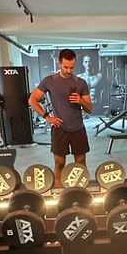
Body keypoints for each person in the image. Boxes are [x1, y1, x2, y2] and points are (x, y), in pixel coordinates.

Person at [28, 49, 93, 187]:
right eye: (66, 67)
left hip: (78, 128)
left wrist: (81, 101)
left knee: (80, 162)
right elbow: (32, 100)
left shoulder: (81, 82)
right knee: (59, 163)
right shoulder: (49, 81)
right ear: (59, 63)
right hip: (59, 128)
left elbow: (90, 109)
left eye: (72, 67)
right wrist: (47, 116)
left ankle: (82, 194)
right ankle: (59, 196)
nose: (69, 70)